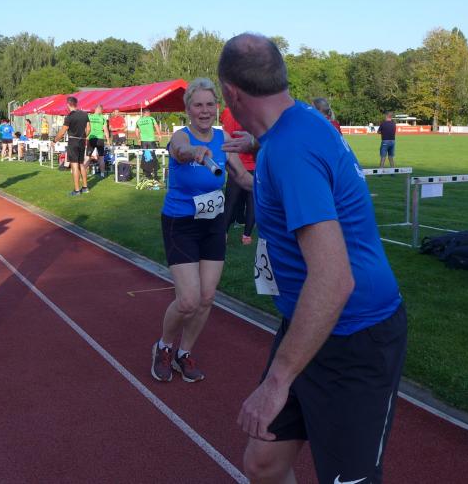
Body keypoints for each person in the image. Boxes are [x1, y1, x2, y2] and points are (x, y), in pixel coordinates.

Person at [218, 33, 406, 484]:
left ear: (231, 93)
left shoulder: (290, 150)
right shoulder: (298, 121)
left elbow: (334, 278)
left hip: (354, 336)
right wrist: (257, 146)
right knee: (263, 464)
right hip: (310, 322)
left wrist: (277, 381)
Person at [151, 78, 252, 384]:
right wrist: (193, 150)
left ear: (216, 108)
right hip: (180, 223)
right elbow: (179, 151)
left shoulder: (223, 138)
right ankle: (163, 347)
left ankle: (184, 353)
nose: (205, 110)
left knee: (207, 297)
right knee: (188, 300)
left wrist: (278, 188)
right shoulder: (180, 136)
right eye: (198, 105)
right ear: (189, 109)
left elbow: (243, 178)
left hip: (213, 224)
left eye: (210, 104)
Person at [220, 107, 256, 245]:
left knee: (231, 201)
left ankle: (224, 233)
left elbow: (226, 137)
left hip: (238, 163)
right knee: (252, 201)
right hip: (251, 164)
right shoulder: (257, 109)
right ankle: (246, 236)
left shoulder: (230, 111)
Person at [53, 96, 90, 196]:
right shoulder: (84, 114)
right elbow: (88, 129)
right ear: (76, 103)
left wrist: (54, 141)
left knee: (74, 165)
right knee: (81, 164)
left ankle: (77, 190)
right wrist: (83, 136)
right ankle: (85, 187)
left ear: (68, 104)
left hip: (73, 141)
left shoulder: (69, 116)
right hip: (82, 141)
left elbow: (62, 132)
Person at [86, 104, 111, 177]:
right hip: (100, 138)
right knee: (101, 157)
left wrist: (85, 136)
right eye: (101, 110)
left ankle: (84, 174)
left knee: (88, 157)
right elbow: (105, 130)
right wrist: (108, 140)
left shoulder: (89, 117)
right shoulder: (102, 118)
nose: (102, 111)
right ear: (99, 109)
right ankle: (102, 174)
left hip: (91, 138)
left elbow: (86, 128)